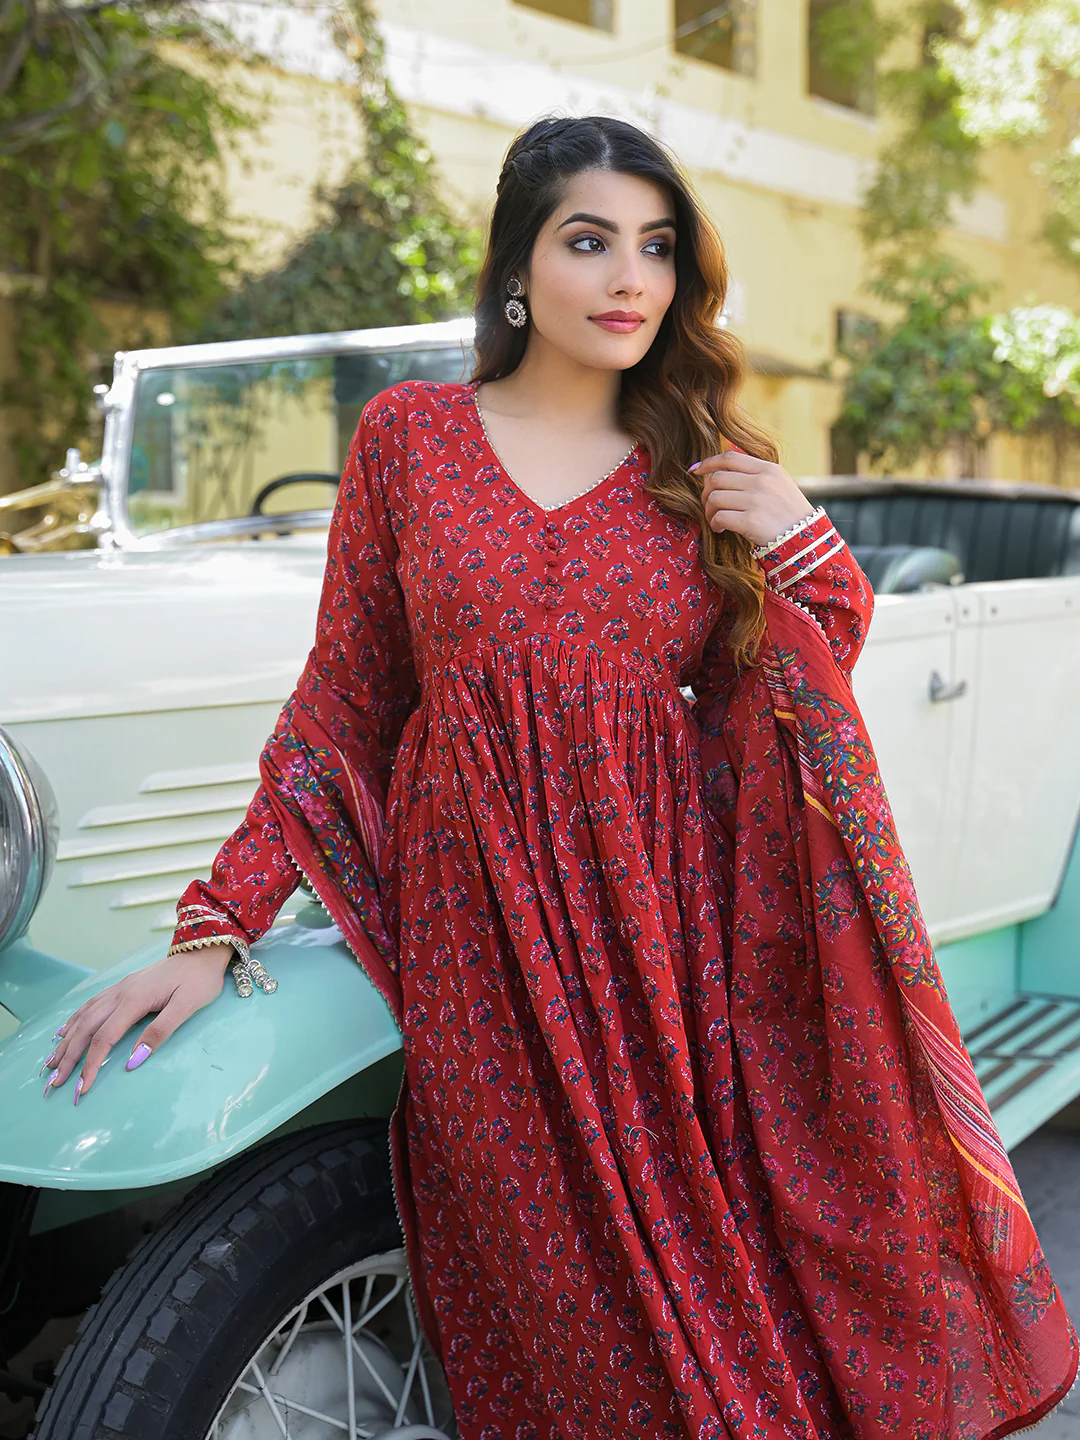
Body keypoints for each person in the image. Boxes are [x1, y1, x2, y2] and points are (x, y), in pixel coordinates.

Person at [41, 114, 1076, 1439]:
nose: (629, 276)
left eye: (655, 246)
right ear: (518, 271)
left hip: (669, 946)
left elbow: (799, 695)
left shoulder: (699, 471)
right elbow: (346, 703)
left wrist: (809, 544)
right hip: (479, 941)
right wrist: (214, 925)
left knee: (706, 1292)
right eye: (590, 241)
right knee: (540, 1288)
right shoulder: (411, 442)